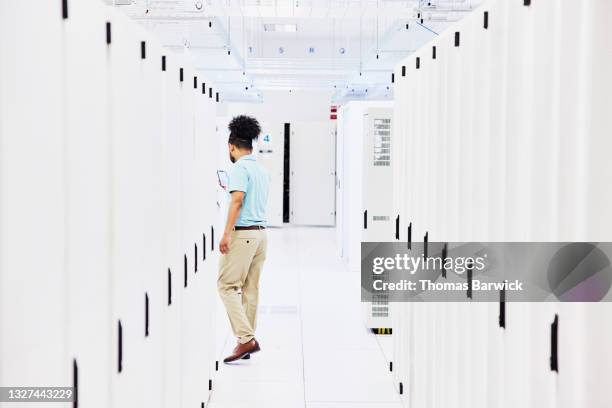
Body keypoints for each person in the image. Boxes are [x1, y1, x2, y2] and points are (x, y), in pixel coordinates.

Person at [218, 115, 270, 363]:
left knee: (226, 286)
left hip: (244, 234)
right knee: (250, 289)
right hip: (261, 235)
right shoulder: (260, 169)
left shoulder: (239, 168)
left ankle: (246, 338)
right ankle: (245, 341)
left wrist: (226, 233)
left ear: (232, 146)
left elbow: (237, 201)